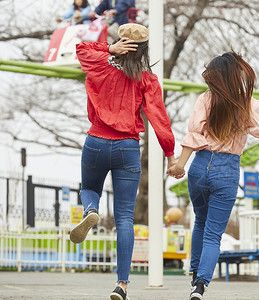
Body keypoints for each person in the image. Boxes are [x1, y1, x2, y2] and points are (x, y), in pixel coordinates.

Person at [167, 51, 259, 300]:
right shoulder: (247, 105)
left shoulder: (205, 100)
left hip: (199, 168)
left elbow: (194, 135)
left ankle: (194, 273)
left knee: (201, 223)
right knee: (214, 232)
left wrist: (180, 165)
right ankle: (200, 285)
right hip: (226, 170)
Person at [71, 23, 176, 300]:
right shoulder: (147, 79)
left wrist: (109, 48)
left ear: (121, 42)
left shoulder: (100, 66)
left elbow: (81, 49)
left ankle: (90, 210)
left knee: (89, 188)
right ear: (143, 49)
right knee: (125, 218)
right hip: (127, 148)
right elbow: (159, 118)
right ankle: (122, 284)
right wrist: (170, 154)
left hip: (95, 141)